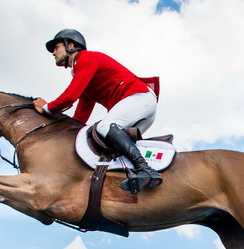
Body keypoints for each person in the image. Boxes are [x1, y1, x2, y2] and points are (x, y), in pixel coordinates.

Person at [33, 29, 162, 194]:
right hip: (141, 105)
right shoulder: (84, 74)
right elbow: (79, 119)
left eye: (56, 47)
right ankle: (136, 178)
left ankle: (146, 169)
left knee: (104, 126)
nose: (53, 53)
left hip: (139, 98)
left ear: (70, 45)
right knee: (113, 149)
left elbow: (70, 97)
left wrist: (46, 108)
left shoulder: (85, 58)